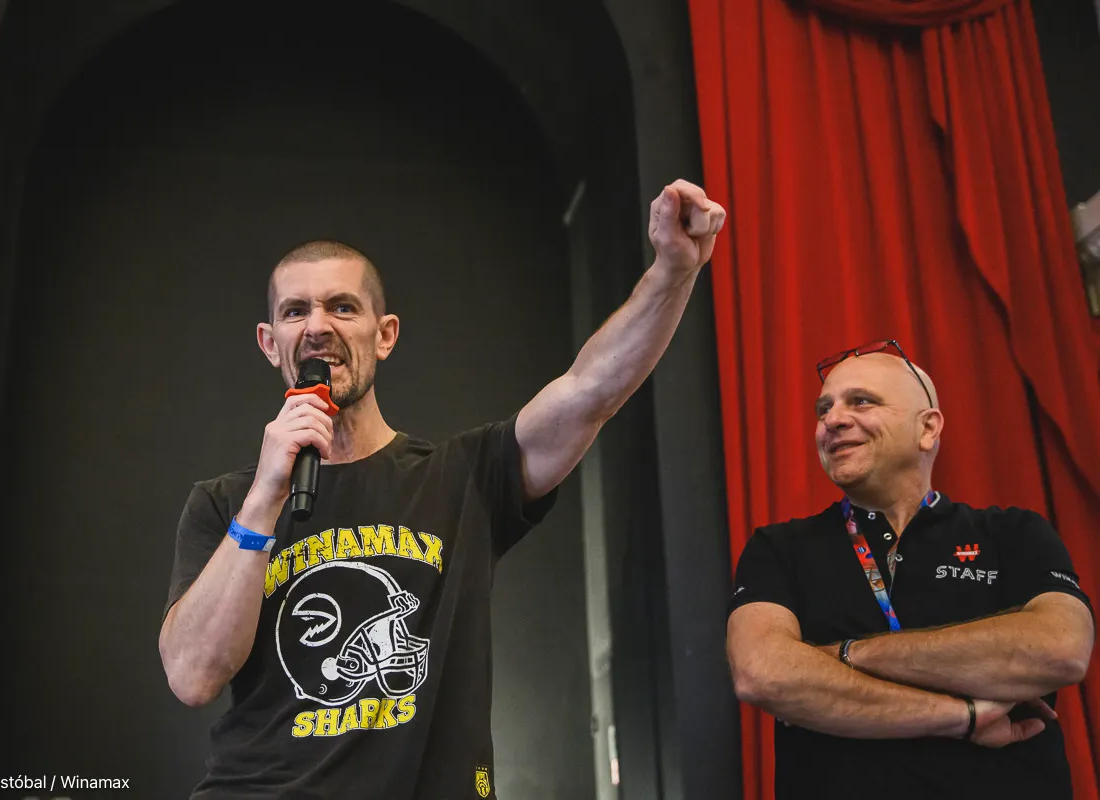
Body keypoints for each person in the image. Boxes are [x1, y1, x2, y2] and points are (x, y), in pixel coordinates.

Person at [158, 180, 725, 798]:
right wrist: (267, 495)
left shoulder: (463, 476)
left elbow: (591, 390)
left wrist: (672, 272)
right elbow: (193, 676)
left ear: (385, 334)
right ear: (271, 344)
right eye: (295, 311)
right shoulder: (224, 504)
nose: (317, 327)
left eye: (342, 307)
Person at [726, 340, 1094, 799]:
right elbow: (764, 673)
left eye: (861, 401)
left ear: (928, 428)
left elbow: (1058, 650)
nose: (832, 420)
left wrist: (844, 656)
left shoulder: (1013, 533)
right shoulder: (778, 547)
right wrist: (965, 717)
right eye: (824, 409)